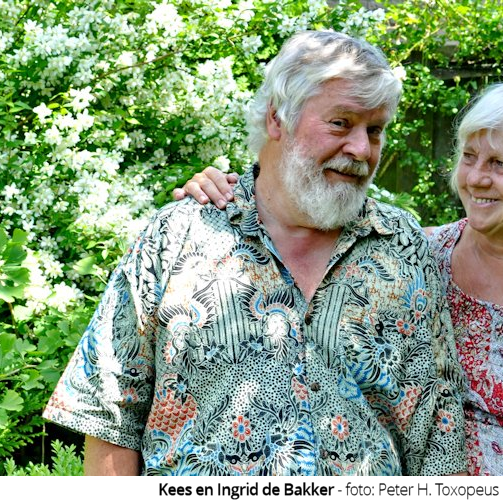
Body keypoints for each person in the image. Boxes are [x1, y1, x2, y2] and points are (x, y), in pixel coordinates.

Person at [43, 30, 466, 476]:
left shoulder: (403, 247)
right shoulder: (179, 234)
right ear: (277, 119)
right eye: (341, 123)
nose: (361, 149)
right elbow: (111, 417)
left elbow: (438, 437)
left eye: (374, 130)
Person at [181, 79, 503, 476]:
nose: (477, 178)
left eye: (501, 164)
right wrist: (231, 192)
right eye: (469, 157)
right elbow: (302, 222)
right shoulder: (419, 252)